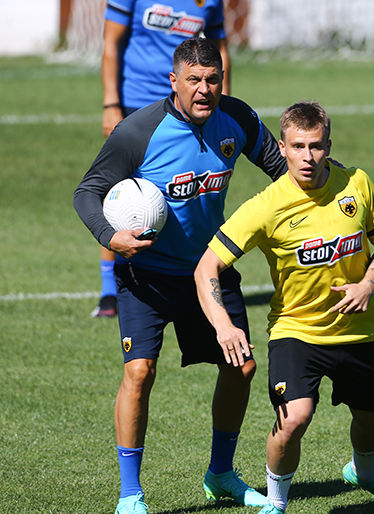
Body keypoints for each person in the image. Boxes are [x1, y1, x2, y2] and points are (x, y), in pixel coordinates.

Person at [73, 37, 287, 514]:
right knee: (139, 372)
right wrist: (110, 236)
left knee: (242, 368)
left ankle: (221, 474)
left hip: (208, 270)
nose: (204, 89)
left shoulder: (237, 119)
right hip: (145, 277)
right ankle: (130, 496)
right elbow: (87, 192)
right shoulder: (138, 131)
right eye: (194, 80)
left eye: (213, 79)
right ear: (174, 81)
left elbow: (281, 170)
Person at [194, 100, 374, 514]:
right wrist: (223, 324)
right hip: (296, 332)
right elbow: (206, 268)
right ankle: (275, 504)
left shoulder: (357, 184)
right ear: (282, 148)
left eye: (315, 146)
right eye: (297, 147)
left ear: (328, 146)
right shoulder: (266, 206)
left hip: (361, 332)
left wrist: (368, 285)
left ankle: (365, 473)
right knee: (294, 417)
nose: (307, 157)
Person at [93, 0, 232, 317]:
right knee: (121, 194)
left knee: (187, 186)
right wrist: (111, 103)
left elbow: (220, 48)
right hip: (137, 104)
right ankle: (109, 289)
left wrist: (223, 104)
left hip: (190, 105)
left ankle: (189, 273)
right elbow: (111, 41)